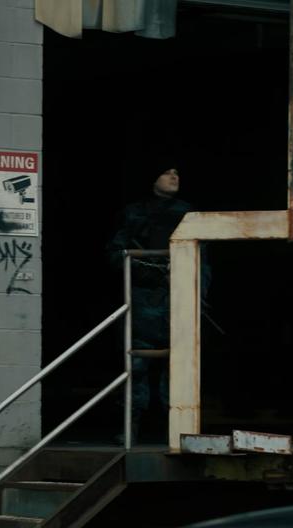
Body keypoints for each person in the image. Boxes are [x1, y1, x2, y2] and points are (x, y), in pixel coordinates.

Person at [106, 160, 210, 443]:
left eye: (177, 172)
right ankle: (131, 426)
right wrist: (143, 268)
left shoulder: (187, 213)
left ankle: (178, 430)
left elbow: (203, 258)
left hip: (177, 298)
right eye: (167, 171)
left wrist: (199, 294)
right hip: (142, 299)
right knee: (135, 366)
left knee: (178, 368)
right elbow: (117, 254)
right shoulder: (133, 213)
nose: (174, 176)